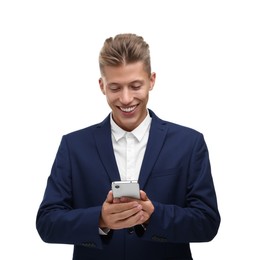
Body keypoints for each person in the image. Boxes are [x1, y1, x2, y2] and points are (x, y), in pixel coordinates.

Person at [36, 33, 220, 260]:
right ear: (102, 85)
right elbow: (47, 223)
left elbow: (208, 223)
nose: (125, 99)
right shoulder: (73, 146)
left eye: (135, 86)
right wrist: (100, 219)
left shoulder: (190, 143)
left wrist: (155, 216)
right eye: (115, 87)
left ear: (151, 80)